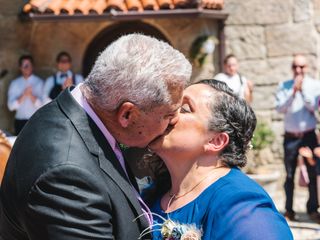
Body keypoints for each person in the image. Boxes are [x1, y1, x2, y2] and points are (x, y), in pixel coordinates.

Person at [0, 34, 192, 240]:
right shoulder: (67, 178)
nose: (174, 121)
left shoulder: (79, 111)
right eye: (168, 114)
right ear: (127, 114)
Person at [142, 79, 292, 240]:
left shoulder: (241, 207)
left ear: (216, 141)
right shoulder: (152, 193)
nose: (169, 111)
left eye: (184, 109)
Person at [275, 54, 320, 223]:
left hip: (308, 135)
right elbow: (279, 108)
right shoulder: (284, 86)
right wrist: (293, 92)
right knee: (289, 175)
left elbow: (315, 107)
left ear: (306, 68)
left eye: (302, 67)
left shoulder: (315, 85)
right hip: (291, 137)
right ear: (291, 68)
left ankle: (313, 209)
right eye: (295, 67)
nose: (298, 70)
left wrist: (303, 92)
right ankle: (289, 210)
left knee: (313, 173)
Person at [7, 55, 43, 135]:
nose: (27, 68)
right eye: (25, 65)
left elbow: (43, 105)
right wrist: (23, 96)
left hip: (35, 122)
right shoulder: (15, 84)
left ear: (32, 66)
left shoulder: (39, 82)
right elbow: (11, 107)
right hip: (19, 122)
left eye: (29, 65)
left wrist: (31, 96)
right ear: (20, 68)